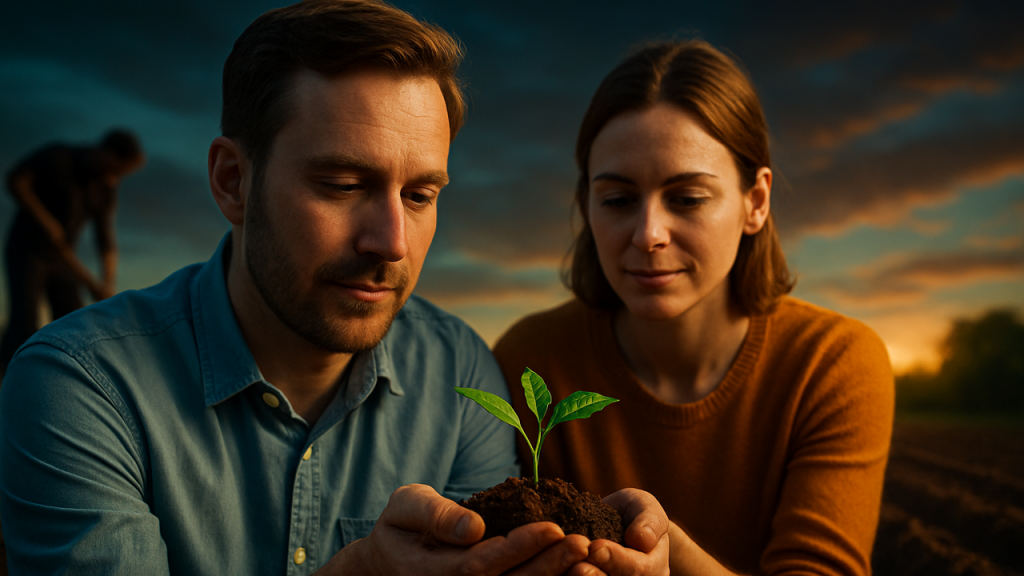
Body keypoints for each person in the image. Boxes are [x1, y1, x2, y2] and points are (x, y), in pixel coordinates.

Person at [0, 1, 669, 575]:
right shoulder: (81, 385)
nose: (392, 241)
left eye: (420, 194)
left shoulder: (460, 373)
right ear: (233, 181)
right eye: (343, 186)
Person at [493, 40, 895, 576]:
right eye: (617, 199)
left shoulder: (833, 361)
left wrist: (667, 555)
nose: (648, 234)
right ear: (586, 202)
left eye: (687, 198)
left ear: (756, 202)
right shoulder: (532, 356)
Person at [0, 128, 144, 374]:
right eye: (117, 169)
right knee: (25, 322)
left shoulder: (104, 187)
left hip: (62, 259)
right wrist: (45, 221)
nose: (116, 177)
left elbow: (105, 239)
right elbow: (17, 181)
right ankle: (9, 380)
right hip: (27, 250)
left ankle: (64, 381)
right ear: (106, 153)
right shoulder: (59, 157)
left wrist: (105, 282)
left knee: (72, 322)